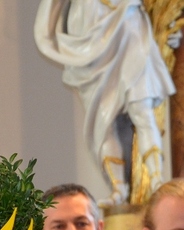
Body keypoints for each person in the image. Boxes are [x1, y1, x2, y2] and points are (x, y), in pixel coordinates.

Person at [34, 0, 175, 205]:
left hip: (128, 24)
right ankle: (119, 189)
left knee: (142, 110)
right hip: (87, 39)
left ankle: (157, 182)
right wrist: (49, 40)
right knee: (104, 123)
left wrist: (165, 28)